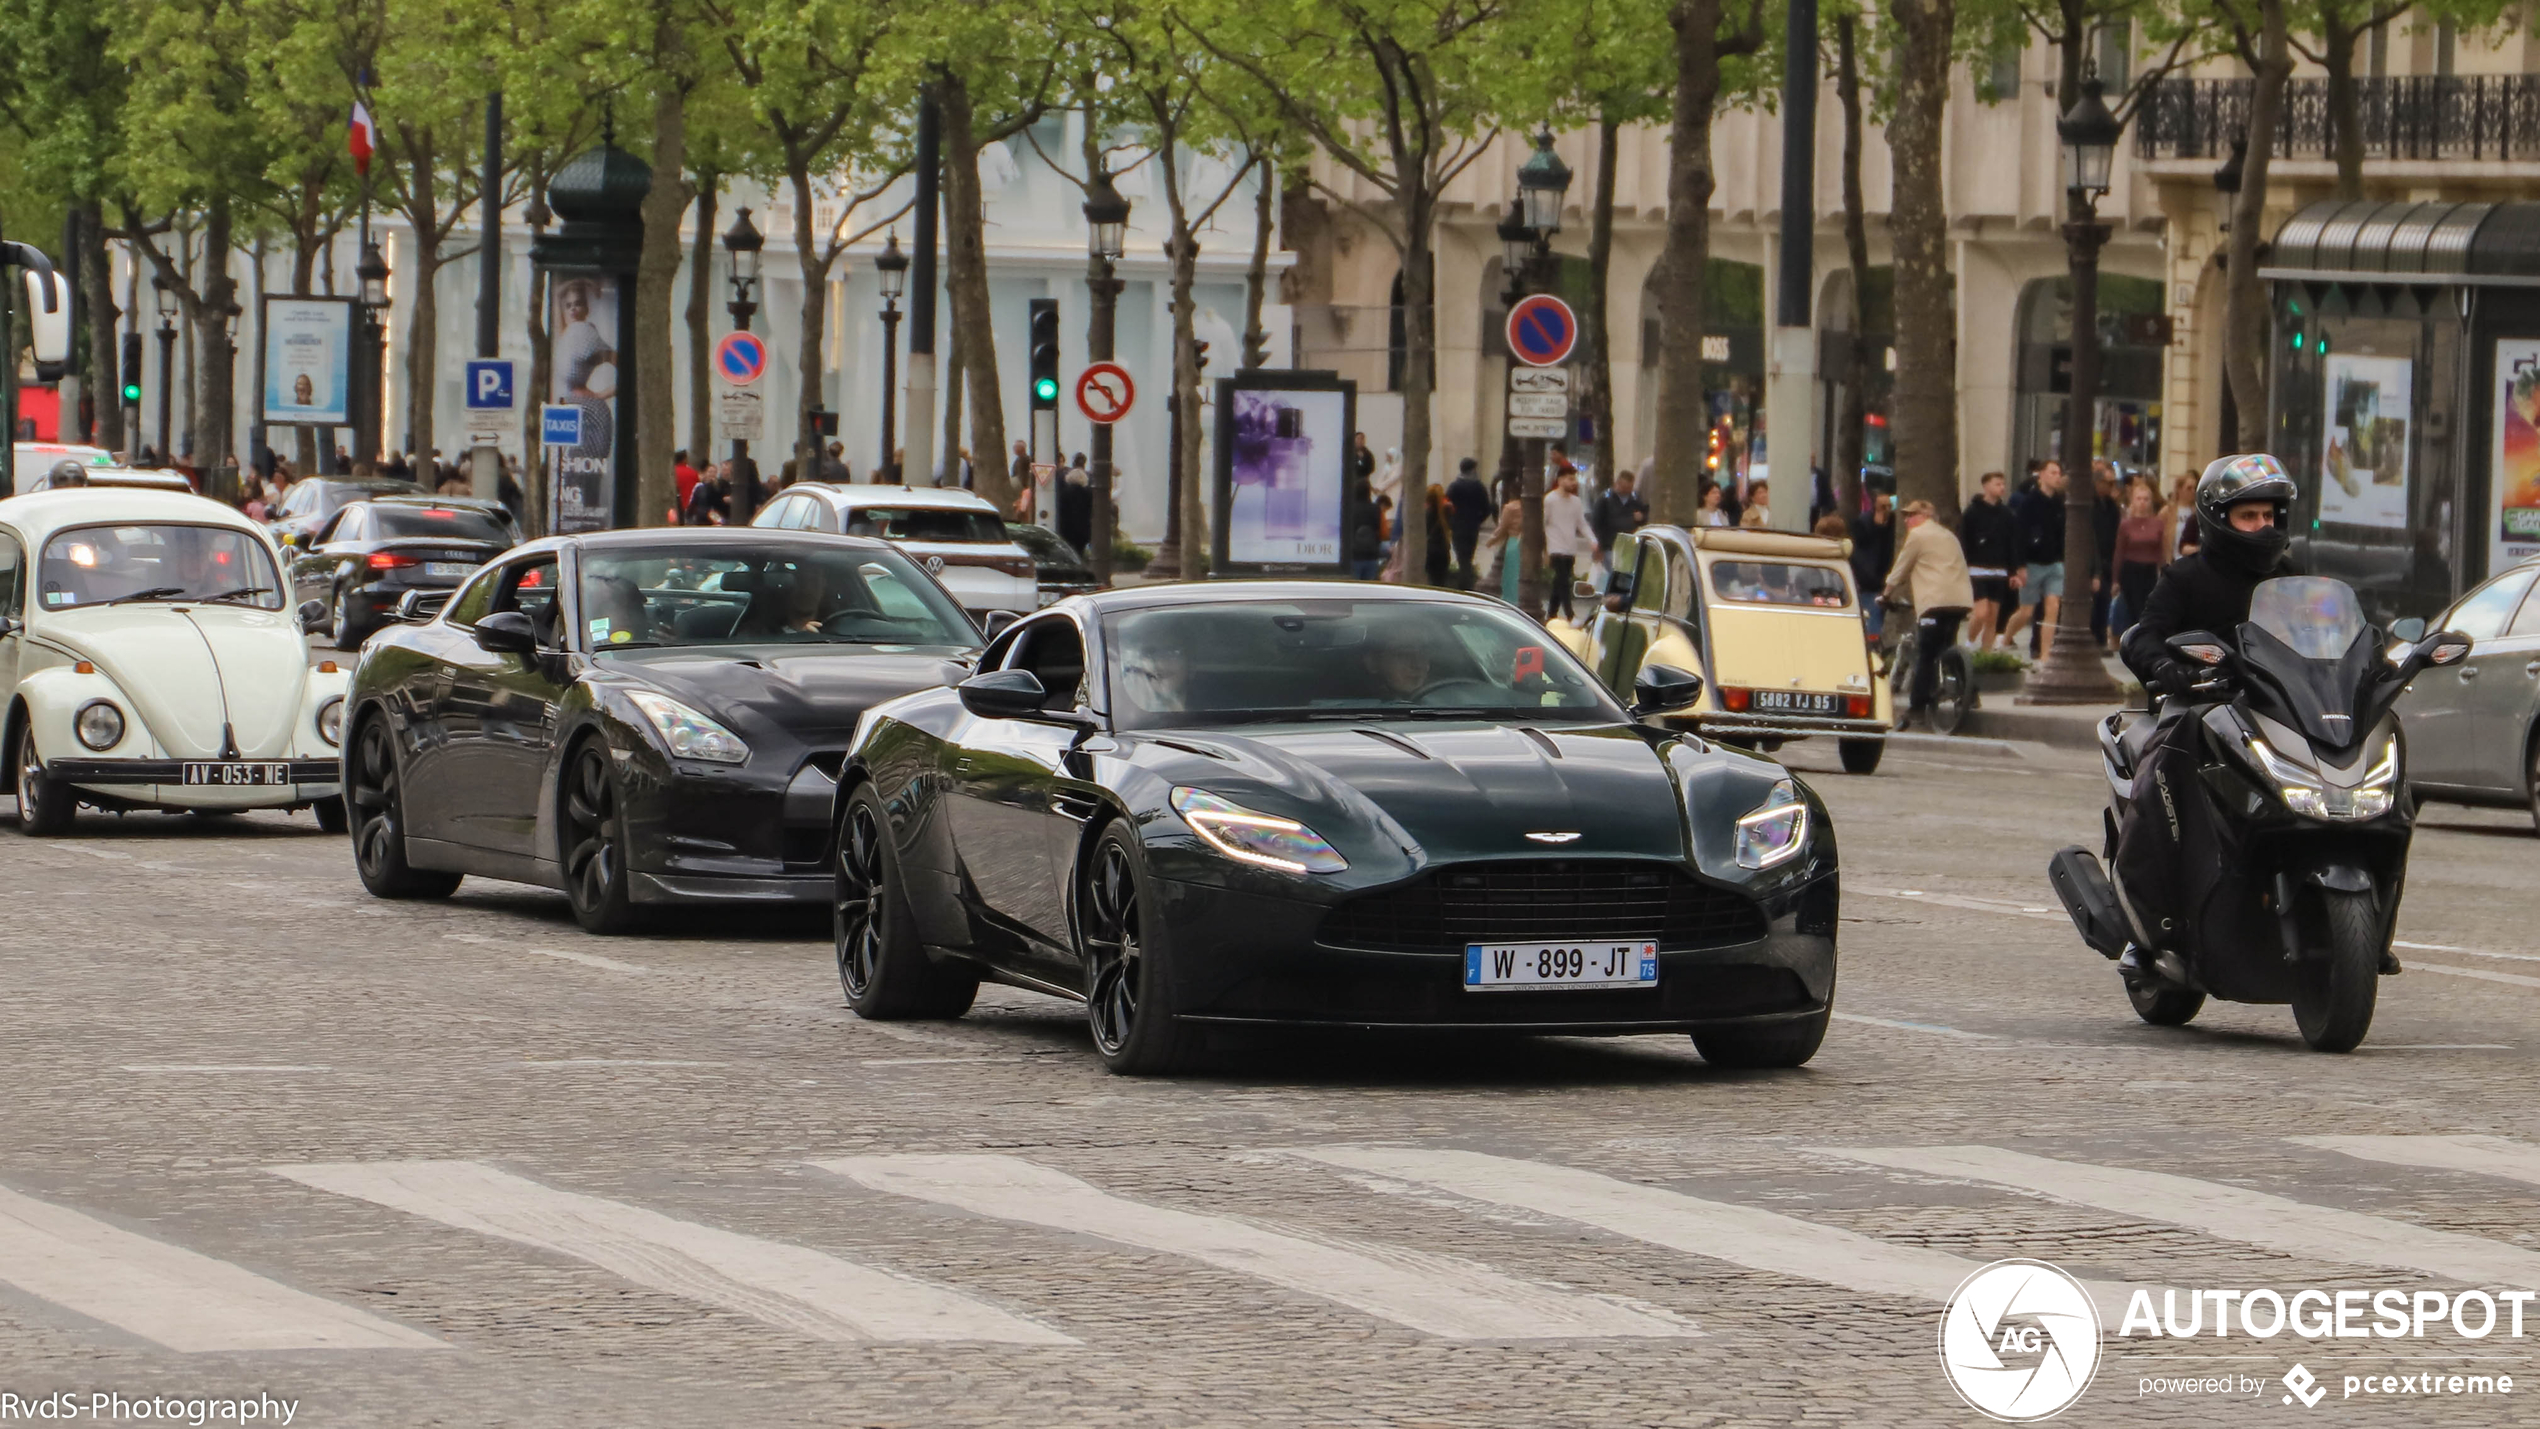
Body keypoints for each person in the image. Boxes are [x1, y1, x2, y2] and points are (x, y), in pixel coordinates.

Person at [2111, 453, 2299, 969]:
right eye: (2248, 516)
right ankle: (2145, 923)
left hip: (2277, 710)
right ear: (2220, 518)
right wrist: (2165, 666)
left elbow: (2325, 633)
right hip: (2201, 708)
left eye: (2269, 516)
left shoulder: (2290, 578)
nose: (2262, 527)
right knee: (2162, 776)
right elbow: (2142, 635)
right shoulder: (2187, 577)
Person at [1882, 499, 1975, 728]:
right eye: (1905, 515)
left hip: (1934, 601)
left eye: (1912, 514)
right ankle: (1969, 691)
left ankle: (1916, 708)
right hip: (1960, 600)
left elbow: (1901, 568)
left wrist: (1886, 594)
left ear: (1925, 516)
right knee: (1947, 645)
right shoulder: (1949, 536)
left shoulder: (1918, 535)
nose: (1907, 520)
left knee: (1926, 653)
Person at [2001, 459, 2067, 657]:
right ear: (2042, 475)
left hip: (2054, 564)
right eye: (2053, 473)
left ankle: (2046, 655)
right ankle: (2004, 639)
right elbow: (2019, 535)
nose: (2057, 477)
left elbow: (2062, 532)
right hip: (2032, 563)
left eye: (2058, 473)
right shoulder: (2029, 502)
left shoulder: (2059, 502)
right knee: (2026, 612)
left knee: (2053, 606)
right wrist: (2019, 565)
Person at [1960, 472, 2018, 654]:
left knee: (1993, 617)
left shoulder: (2007, 514)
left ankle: (1985, 654)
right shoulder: (1972, 512)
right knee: (1981, 612)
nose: (2001, 487)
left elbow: (2012, 542)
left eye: (2003, 484)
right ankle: (1969, 642)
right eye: (1997, 484)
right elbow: (1964, 538)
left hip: (1999, 570)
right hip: (1977, 569)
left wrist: (2013, 570)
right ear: (1985, 486)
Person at [2110, 479, 2166, 643]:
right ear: (2133, 500)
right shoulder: (2126, 525)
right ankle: (2133, 641)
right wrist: (2115, 579)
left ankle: (2144, 640)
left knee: (2148, 607)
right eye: (2139, 499)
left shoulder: (2157, 524)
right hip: (2130, 569)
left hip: (2149, 570)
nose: (2142, 503)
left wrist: (2165, 572)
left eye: (2146, 499)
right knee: (2133, 608)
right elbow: (2119, 552)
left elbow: (2161, 551)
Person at [1542, 467, 1597, 621]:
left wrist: (1592, 540)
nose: (1572, 482)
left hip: (1570, 548)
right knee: (1563, 580)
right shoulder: (1550, 500)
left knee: (1559, 582)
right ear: (1559, 480)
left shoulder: (1576, 502)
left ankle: (1551, 614)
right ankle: (1569, 613)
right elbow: (1543, 522)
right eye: (1569, 479)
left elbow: (1582, 524)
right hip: (1555, 546)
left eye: (1574, 479)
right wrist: (1544, 549)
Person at [1847, 492, 1895, 635]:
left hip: (1884, 574)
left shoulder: (1892, 523)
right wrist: (1878, 526)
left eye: (1889, 506)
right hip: (1870, 579)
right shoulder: (1863, 523)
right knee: (1872, 615)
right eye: (1882, 506)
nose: (1886, 510)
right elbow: (1864, 543)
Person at [1445, 457, 1492, 589]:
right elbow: (1487, 508)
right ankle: (1466, 584)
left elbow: (1445, 505)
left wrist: (1451, 522)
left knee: (1462, 557)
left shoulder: (1454, 486)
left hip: (1458, 527)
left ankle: (1465, 584)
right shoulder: (1479, 486)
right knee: (1468, 557)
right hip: (1472, 528)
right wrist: (1478, 520)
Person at [1591, 466, 1650, 566]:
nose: (1626, 491)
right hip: (1610, 546)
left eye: (1629, 488)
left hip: (1629, 546)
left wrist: (1642, 518)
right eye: (1623, 487)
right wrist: (1599, 546)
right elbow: (1596, 522)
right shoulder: (1605, 498)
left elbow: (1645, 514)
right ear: (1616, 484)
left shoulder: (1635, 498)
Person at [1475, 498, 1523, 605]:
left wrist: (1490, 541)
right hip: (1525, 543)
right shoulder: (1530, 507)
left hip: (1513, 542)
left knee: (1510, 575)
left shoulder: (1510, 508)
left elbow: (1502, 528)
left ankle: (1511, 602)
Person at [1347, 476, 1383, 581]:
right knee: (1369, 589)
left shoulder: (1349, 508)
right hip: (1371, 554)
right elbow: (1381, 531)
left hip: (1354, 555)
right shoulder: (1376, 509)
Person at [1056, 458, 1093, 556]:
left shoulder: (1064, 494)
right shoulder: (1088, 494)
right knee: (1080, 553)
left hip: (1066, 528)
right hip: (1083, 529)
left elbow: (1061, 511)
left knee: (1068, 553)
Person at [1422, 484, 1451, 587]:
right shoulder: (1446, 512)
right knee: (1440, 582)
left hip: (1429, 551)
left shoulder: (1426, 515)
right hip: (1443, 551)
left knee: (1431, 582)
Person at [673, 450, 701, 516]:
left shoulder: (672, 472)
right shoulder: (692, 472)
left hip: (675, 506)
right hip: (690, 505)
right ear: (684, 459)